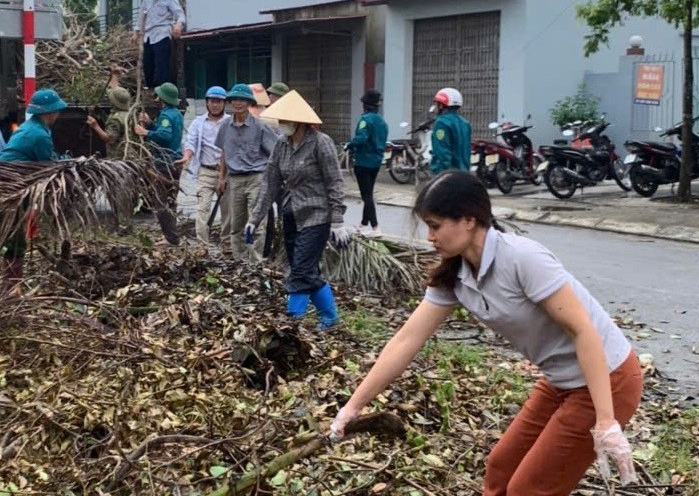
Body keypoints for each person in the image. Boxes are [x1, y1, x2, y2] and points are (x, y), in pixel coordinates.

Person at [330, 170, 642, 495]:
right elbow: (406, 340)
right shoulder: (457, 274)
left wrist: (606, 422)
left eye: (435, 225)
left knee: (528, 489)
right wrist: (352, 407)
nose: (429, 237)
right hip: (560, 381)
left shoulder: (522, 258)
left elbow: (583, 331)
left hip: (608, 379)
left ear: (468, 219)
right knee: (500, 470)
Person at [245, 90, 349, 329]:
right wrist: (254, 218)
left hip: (317, 215)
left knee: (300, 270)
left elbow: (335, 182)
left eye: (285, 121)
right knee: (304, 269)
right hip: (291, 213)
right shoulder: (281, 144)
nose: (281, 125)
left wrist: (337, 220)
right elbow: (270, 182)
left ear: (299, 121)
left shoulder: (321, 143)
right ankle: (330, 318)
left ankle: (293, 321)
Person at [0, 89, 68, 292]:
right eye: (57, 111)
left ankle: (10, 286)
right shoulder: (39, 134)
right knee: (15, 238)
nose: (58, 115)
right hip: (12, 188)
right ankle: (10, 288)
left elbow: (50, 158)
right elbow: (48, 165)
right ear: (49, 112)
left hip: (10, 184)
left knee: (14, 236)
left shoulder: (33, 128)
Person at [216, 83, 278, 262]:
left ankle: (255, 260)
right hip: (234, 179)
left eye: (242, 99)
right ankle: (239, 260)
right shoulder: (225, 125)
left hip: (256, 177)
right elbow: (224, 153)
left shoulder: (260, 127)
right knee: (236, 223)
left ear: (249, 103)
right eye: (235, 99)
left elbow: (274, 153)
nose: (238, 103)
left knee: (257, 221)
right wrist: (221, 177)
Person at [134, 82, 184, 245]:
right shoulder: (175, 113)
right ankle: (171, 235)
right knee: (171, 200)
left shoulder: (166, 116)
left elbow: (165, 135)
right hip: (175, 162)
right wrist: (150, 123)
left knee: (162, 201)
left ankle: (170, 237)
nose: (155, 98)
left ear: (162, 98)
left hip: (164, 163)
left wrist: (145, 132)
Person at [178, 86, 230, 246]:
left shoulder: (230, 122)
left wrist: (224, 175)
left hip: (226, 172)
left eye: (219, 102)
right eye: (212, 101)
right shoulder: (198, 122)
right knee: (202, 208)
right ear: (207, 103)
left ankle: (226, 242)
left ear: (224, 103)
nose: (215, 105)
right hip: (206, 171)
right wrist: (186, 157)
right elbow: (191, 142)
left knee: (228, 209)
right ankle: (203, 244)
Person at [133, 0, 185, 89]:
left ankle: (163, 91)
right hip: (148, 36)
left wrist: (178, 25)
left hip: (162, 34)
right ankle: (150, 90)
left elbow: (180, 14)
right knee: (147, 65)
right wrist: (136, 32)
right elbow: (141, 14)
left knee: (162, 65)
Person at [346, 89, 388, 237]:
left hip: (363, 162)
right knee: (368, 192)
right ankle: (364, 223)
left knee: (366, 196)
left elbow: (361, 138)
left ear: (366, 105)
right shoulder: (382, 121)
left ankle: (375, 227)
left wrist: (349, 145)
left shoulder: (366, 120)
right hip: (376, 162)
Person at [86, 65, 141, 161]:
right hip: (130, 154)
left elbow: (109, 138)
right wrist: (114, 75)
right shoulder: (130, 112)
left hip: (118, 157)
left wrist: (95, 126)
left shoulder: (115, 119)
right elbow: (115, 91)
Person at [430, 87, 471, 174]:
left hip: (449, 176)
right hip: (464, 174)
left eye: (437, 104)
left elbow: (442, 153)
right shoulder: (465, 123)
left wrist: (439, 174)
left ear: (441, 105)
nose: (436, 107)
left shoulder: (441, 123)